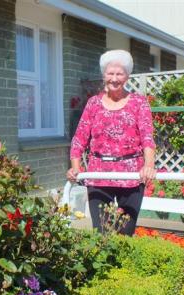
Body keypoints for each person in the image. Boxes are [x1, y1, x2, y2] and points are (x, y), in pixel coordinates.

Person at [67, 49, 156, 236]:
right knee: (102, 233)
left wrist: (148, 166)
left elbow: (147, 137)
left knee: (125, 232)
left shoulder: (139, 103)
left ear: (127, 76)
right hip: (98, 174)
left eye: (119, 74)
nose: (114, 78)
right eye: (110, 73)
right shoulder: (93, 103)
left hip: (131, 175)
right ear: (103, 75)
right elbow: (79, 138)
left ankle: (123, 264)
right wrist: (75, 167)